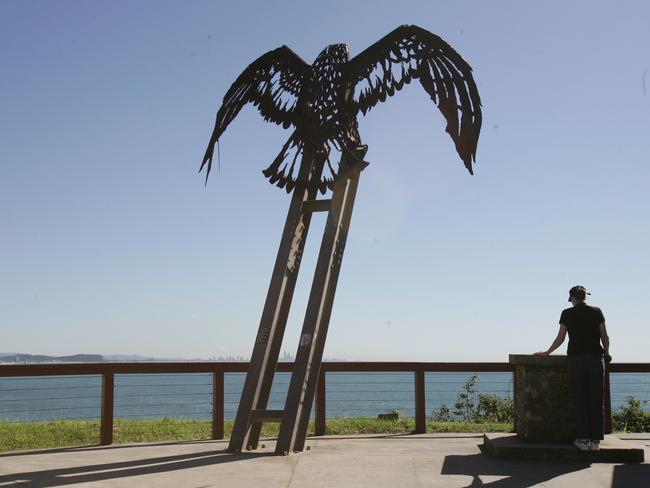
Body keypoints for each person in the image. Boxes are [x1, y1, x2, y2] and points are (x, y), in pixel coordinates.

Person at [534, 285, 610, 452]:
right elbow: (604, 336)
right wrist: (606, 353)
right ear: (585, 297)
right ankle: (596, 440)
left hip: (576, 359)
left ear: (572, 298)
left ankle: (583, 439)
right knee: (596, 400)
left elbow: (560, 338)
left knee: (580, 398)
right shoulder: (597, 311)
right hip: (596, 359)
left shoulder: (567, 313)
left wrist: (547, 352)